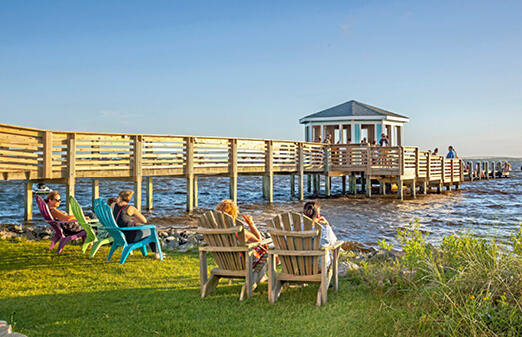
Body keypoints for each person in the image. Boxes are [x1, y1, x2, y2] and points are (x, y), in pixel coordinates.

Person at [113, 190, 164, 260]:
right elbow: (144, 220)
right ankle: (157, 253)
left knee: (148, 231)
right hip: (130, 236)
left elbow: (120, 218)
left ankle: (156, 252)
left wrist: (130, 219)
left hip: (118, 235)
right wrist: (135, 219)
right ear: (129, 198)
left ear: (119, 197)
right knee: (153, 231)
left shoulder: (113, 206)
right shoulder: (130, 208)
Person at [216, 199, 268, 267]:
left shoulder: (214, 232)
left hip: (225, 263)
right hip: (243, 263)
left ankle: (262, 276)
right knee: (264, 247)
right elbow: (258, 239)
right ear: (234, 213)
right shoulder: (237, 231)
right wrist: (251, 224)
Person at [303, 201, 338, 269]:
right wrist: (327, 225)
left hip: (296, 268)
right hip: (319, 269)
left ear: (304, 215)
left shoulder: (292, 229)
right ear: (317, 216)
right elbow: (333, 242)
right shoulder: (325, 229)